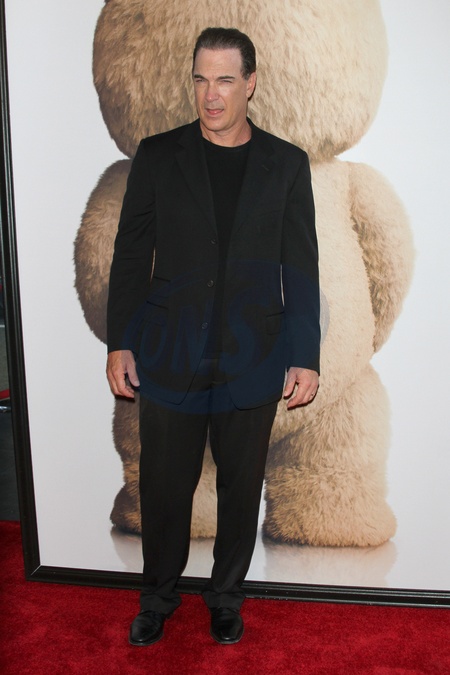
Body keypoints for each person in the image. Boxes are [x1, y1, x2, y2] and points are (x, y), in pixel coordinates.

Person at [106, 27, 320, 646]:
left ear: (250, 84)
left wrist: (304, 354)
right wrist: (120, 341)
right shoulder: (158, 155)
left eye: (225, 80)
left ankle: (226, 598)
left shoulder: (286, 164)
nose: (211, 95)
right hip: (169, 352)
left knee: (240, 488)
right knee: (164, 488)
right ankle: (156, 599)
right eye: (201, 79)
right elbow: (130, 256)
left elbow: (300, 265)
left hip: (255, 356)